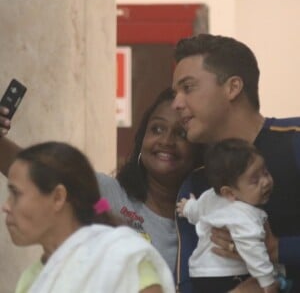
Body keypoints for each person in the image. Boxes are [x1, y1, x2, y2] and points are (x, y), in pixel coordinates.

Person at [0, 87, 204, 275]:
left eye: (181, 134)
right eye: (157, 129)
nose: (166, 141)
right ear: (142, 137)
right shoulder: (105, 196)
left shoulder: (208, 214)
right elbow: (36, 174)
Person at [171, 33, 300, 292]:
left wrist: (278, 249)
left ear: (232, 87)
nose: (176, 104)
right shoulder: (195, 183)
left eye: (188, 88)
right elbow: (187, 279)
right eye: (176, 93)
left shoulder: (294, 142)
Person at [2, 141, 176, 293]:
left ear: (58, 197)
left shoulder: (122, 260)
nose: (6, 206)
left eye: (16, 194)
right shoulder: (31, 279)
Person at [177, 138, 281, 293]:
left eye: (265, 172)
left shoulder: (210, 196)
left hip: (200, 274)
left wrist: (186, 207)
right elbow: (253, 249)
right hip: (227, 276)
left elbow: (196, 210)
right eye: (255, 180)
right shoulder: (245, 215)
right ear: (229, 192)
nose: (265, 182)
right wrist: (268, 281)